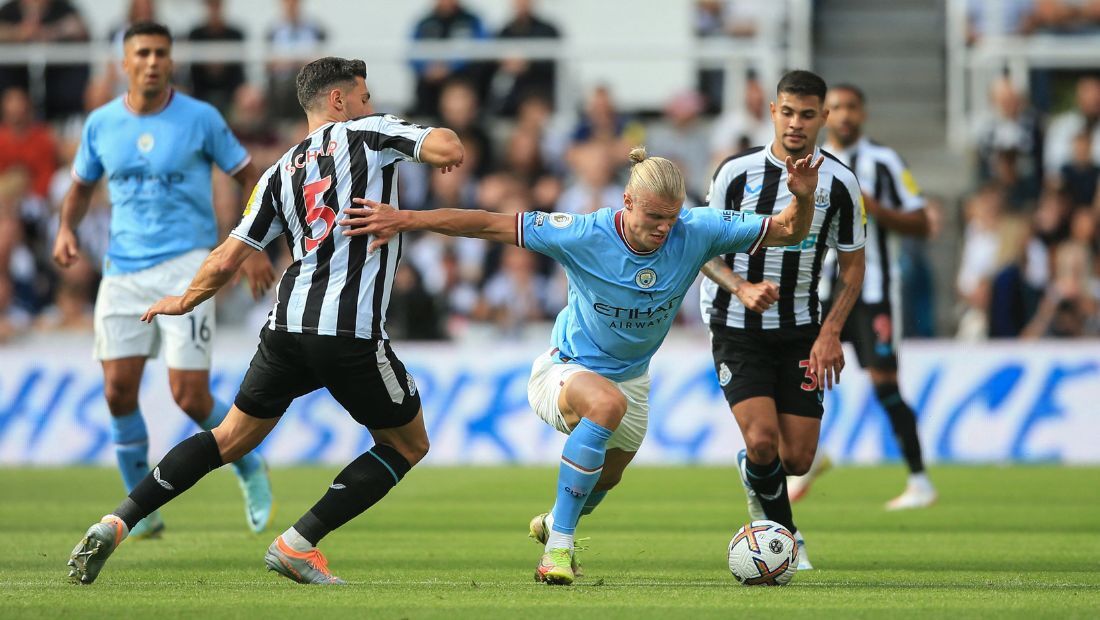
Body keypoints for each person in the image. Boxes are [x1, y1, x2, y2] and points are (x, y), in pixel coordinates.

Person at [338, 145, 823, 585]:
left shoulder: (695, 230)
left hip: (632, 380)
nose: (663, 229)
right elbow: (486, 223)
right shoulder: (583, 233)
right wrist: (407, 219)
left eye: (671, 219)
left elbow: (786, 229)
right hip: (565, 370)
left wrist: (801, 197)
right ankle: (558, 550)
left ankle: (554, 520)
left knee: (605, 479)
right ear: (627, 201)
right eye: (654, 216)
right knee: (604, 405)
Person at [67, 56, 465, 586]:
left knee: (228, 437)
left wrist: (184, 301)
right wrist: (422, 141)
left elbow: (227, 257)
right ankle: (297, 544)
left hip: (285, 327)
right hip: (347, 331)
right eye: (364, 96)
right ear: (340, 101)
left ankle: (117, 521)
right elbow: (450, 149)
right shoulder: (370, 131)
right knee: (406, 444)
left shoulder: (279, 172)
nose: (370, 104)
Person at [53, 22, 276, 541]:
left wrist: (252, 248)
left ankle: (250, 465)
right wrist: (66, 227)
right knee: (116, 390)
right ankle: (144, 511)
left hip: (188, 266)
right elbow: (81, 186)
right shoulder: (102, 123)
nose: (153, 61)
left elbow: (251, 178)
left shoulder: (201, 119)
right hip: (123, 270)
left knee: (190, 395)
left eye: (161, 53)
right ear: (124, 63)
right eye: (143, 53)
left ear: (170, 61)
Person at [699, 70, 866, 570]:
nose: (796, 123)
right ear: (773, 111)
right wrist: (741, 287)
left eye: (808, 114)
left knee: (797, 459)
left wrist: (831, 332)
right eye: (788, 112)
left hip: (801, 330)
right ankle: (786, 540)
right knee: (763, 441)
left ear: (824, 117)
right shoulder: (735, 173)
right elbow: (701, 248)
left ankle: (756, 474)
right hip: (736, 327)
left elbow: (853, 266)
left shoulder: (841, 183)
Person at [790, 83, 937, 510]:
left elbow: (922, 223)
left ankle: (919, 479)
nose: (844, 115)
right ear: (823, 115)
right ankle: (808, 458)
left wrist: (873, 207)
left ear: (864, 113)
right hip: (818, 291)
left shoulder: (883, 161)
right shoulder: (812, 166)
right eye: (834, 108)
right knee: (801, 373)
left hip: (873, 292)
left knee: (884, 382)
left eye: (851, 107)